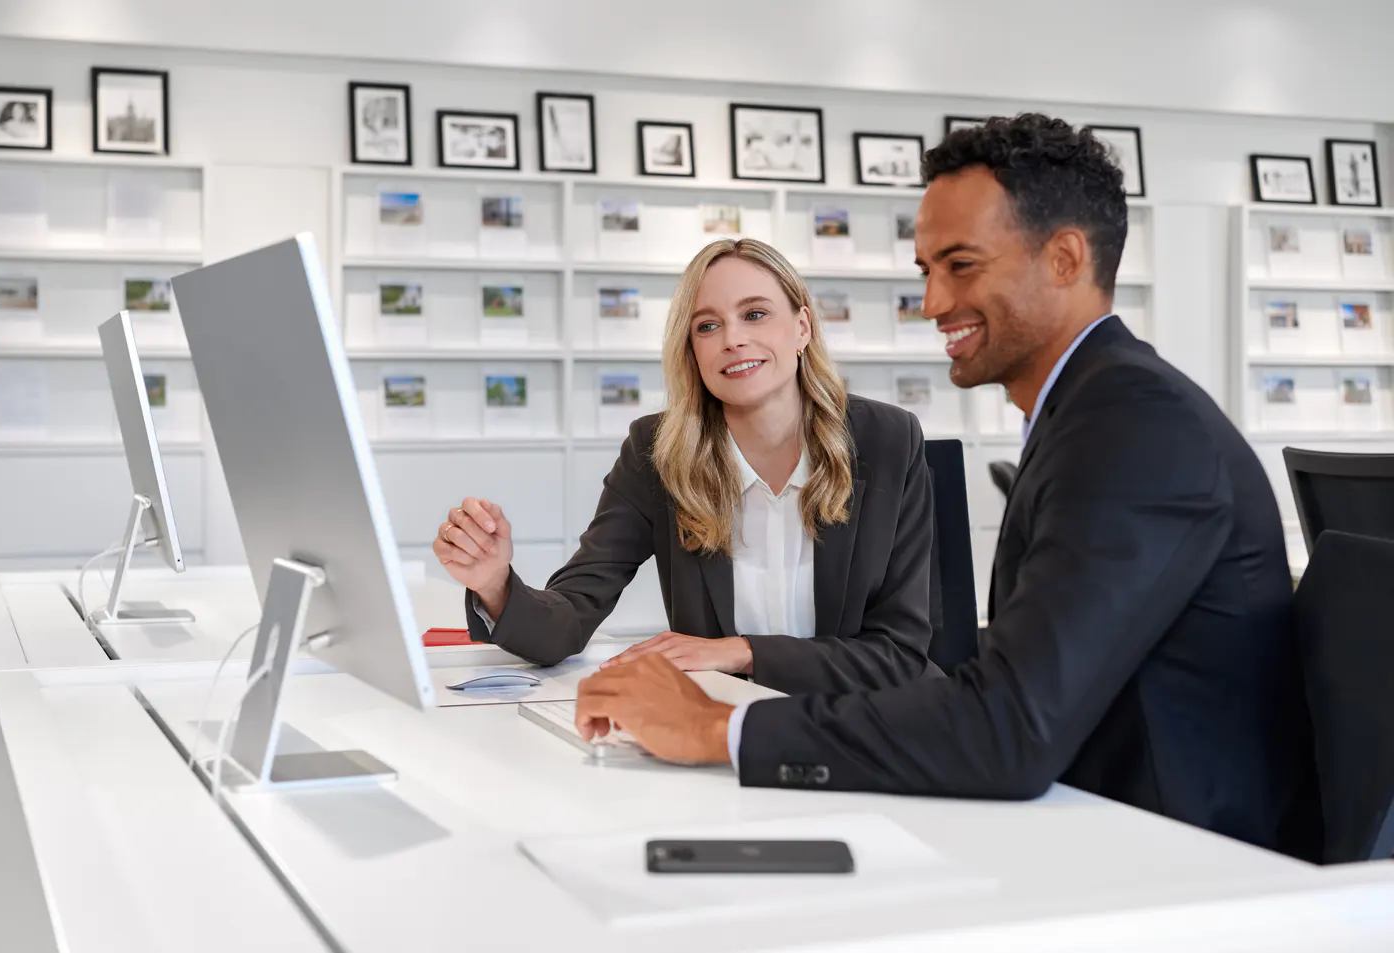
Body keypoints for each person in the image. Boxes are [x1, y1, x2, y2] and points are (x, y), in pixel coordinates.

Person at [573, 113, 1321, 860]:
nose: (932, 303)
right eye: (926, 270)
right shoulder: (1091, 410)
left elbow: (1009, 728)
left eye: (961, 266)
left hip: (1177, 861)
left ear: (1064, 259)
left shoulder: (1132, 425)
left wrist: (715, 728)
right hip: (1099, 826)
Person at [433, 238, 939, 695]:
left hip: (867, 721)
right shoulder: (656, 452)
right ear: (692, 350)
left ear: (802, 327)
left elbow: (899, 653)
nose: (732, 339)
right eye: (708, 326)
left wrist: (742, 652)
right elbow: (570, 617)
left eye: (755, 314)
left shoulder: (887, 440)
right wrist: (495, 584)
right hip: (727, 723)